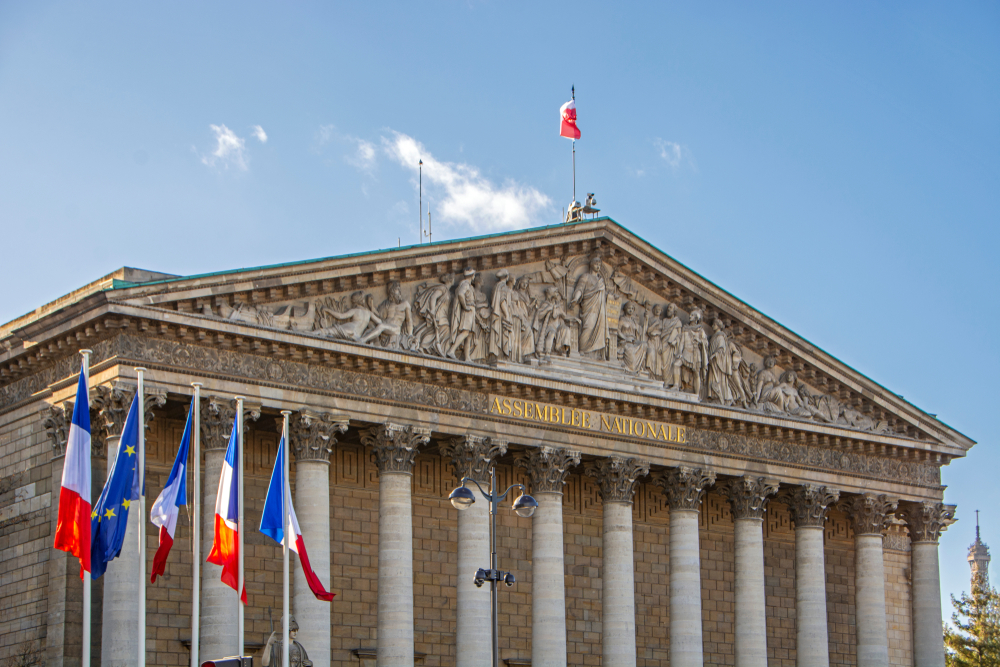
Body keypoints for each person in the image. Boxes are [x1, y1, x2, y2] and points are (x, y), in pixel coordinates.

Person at [570, 254, 608, 360]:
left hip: (600, 311)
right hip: (588, 308)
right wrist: (575, 299)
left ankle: (596, 354)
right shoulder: (585, 276)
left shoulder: (601, 280)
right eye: (596, 263)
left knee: (600, 330)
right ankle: (583, 349)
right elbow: (579, 289)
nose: (598, 266)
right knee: (589, 326)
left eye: (599, 264)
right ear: (591, 264)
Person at [360, 280, 413, 349]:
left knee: (381, 326)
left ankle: (362, 340)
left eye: (398, 290)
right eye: (395, 290)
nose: (398, 292)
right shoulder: (387, 304)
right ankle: (376, 343)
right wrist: (371, 307)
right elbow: (379, 315)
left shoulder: (405, 304)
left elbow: (409, 320)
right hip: (385, 324)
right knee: (370, 322)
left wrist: (410, 335)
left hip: (395, 328)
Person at [413, 273, 454, 356]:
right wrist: (432, 310)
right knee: (440, 330)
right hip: (439, 314)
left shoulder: (449, 293)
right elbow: (433, 297)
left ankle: (438, 349)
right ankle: (424, 346)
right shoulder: (443, 288)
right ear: (451, 280)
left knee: (442, 331)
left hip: (444, 315)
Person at [533, 286, 579, 358]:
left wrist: (575, 318)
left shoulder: (558, 306)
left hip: (558, 326)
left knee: (566, 329)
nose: (558, 295)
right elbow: (539, 315)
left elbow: (565, 316)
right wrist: (547, 309)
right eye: (556, 293)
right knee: (552, 334)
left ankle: (563, 350)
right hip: (549, 327)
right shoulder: (545, 304)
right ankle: (547, 352)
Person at [489, 269, 521, 362]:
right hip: (503, 316)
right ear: (507, 278)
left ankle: (499, 355)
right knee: (506, 336)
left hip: (497, 316)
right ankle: (504, 355)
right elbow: (502, 301)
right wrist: (507, 315)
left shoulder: (496, 286)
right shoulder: (504, 287)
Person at [677, 308, 709, 396]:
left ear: (696, 318)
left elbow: (705, 343)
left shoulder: (700, 331)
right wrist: (679, 352)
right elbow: (682, 342)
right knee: (677, 364)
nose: (689, 316)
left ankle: (697, 394)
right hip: (686, 352)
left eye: (692, 315)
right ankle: (677, 386)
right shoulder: (685, 329)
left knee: (696, 373)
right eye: (690, 315)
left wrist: (699, 341)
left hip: (695, 353)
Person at [447, 268, 477, 360]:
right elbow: (460, 294)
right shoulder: (465, 284)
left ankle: (467, 357)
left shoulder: (469, 286)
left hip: (471, 311)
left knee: (469, 334)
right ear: (472, 276)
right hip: (467, 311)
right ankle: (451, 350)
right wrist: (465, 306)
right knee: (465, 332)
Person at [707, 318, 735, 405]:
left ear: (718, 326)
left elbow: (721, 349)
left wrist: (715, 355)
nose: (712, 326)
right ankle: (714, 396)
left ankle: (720, 397)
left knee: (719, 380)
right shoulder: (713, 337)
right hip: (712, 363)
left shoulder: (720, 337)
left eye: (714, 324)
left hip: (717, 363)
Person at [617, 301, 648, 374]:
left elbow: (642, 331)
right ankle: (631, 369)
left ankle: (641, 368)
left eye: (632, 309)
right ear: (625, 309)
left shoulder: (634, 321)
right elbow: (618, 330)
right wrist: (624, 338)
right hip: (626, 341)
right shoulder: (622, 319)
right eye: (629, 308)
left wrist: (646, 319)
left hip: (634, 341)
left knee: (644, 345)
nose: (631, 310)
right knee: (631, 354)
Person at [469, 272, 492, 362]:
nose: (483, 281)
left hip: (484, 320)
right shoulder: (472, 292)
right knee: (474, 340)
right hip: (475, 320)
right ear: (477, 281)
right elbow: (472, 307)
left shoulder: (484, 295)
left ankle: (480, 359)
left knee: (481, 342)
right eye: (481, 279)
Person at [661, 303, 683, 390]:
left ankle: (671, 384)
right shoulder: (664, 320)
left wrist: (674, 341)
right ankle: (665, 382)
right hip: (664, 343)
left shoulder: (677, 322)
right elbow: (661, 332)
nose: (668, 309)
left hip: (673, 346)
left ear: (674, 311)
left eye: (670, 308)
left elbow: (680, 336)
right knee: (664, 364)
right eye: (668, 307)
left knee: (671, 364)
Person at [644, 304, 664, 378]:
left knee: (657, 360)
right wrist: (655, 324)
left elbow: (663, 335)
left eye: (659, 309)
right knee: (650, 355)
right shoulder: (650, 319)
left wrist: (661, 346)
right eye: (656, 309)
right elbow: (648, 330)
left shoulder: (662, 322)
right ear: (653, 310)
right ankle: (649, 372)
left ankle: (655, 377)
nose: (658, 310)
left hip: (658, 341)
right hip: (651, 340)